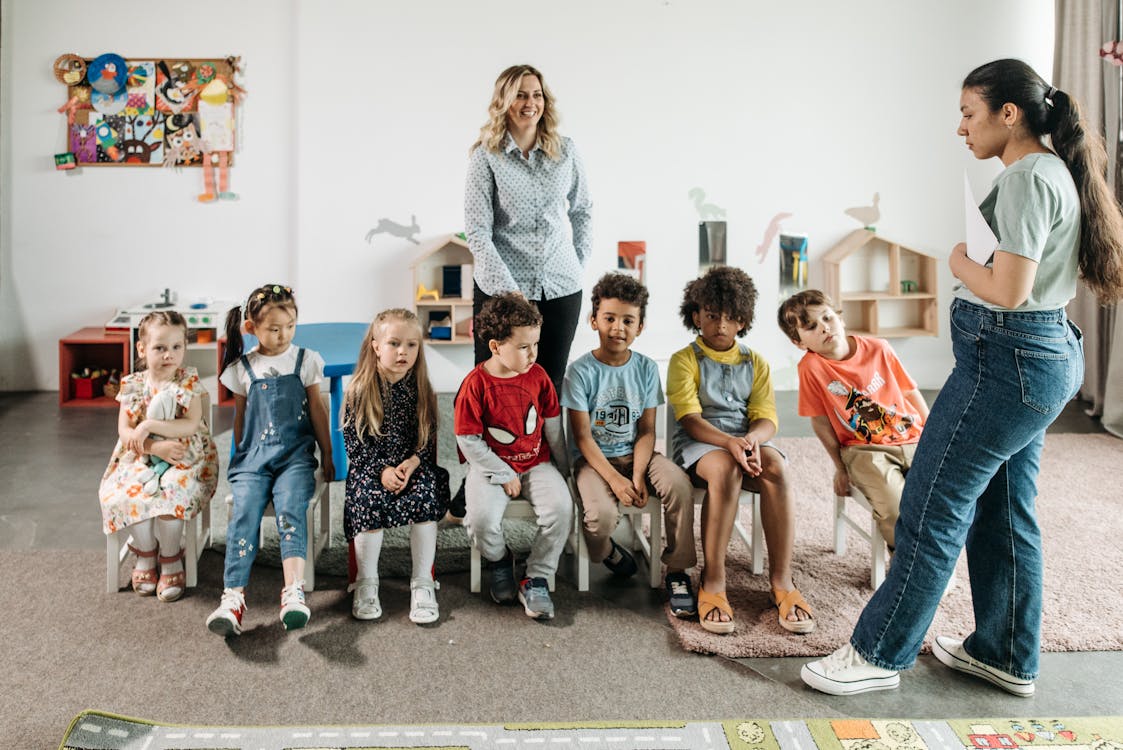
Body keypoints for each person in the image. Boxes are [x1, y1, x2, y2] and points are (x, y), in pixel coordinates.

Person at [801, 59, 1123, 698]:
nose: (961, 128)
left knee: (930, 503)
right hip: (1036, 359)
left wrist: (954, 260)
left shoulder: (1029, 179)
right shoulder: (1051, 170)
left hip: (1008, 362)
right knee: (1005, 508)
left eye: (969, 114)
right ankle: (1004, 652)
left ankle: (877, 652)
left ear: (1010, 114)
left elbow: (1009, 288)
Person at [454, 63, 592, 520]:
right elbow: (478, 230)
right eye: (519, 95)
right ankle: (480, 478)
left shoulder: (565, 151)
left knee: (545, 384)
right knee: (489, 387)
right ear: (503, 103)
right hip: (500, 290)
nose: (529, 103)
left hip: (560, 288)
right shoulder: (486, 156)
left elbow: (584, 212)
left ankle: (544, 473)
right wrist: (510, 295)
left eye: (536, 94)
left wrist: (575, 262)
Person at [666, 265, 814, 635]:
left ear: (742, 321)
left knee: (777, 466)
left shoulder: (756, 362)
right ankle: (713, 580)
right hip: (702, 444)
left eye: (730, 319)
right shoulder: (685, 359)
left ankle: (782, 581)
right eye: (712, 316)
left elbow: (766, 418)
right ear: (696, 314)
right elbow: (690, 418)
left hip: (745, 441)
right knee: (725, 470)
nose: (720, 326)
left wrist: (752, 440)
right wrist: (729, 443)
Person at [561, 272, 697, 615]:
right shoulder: (580, 372)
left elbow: (647, 431)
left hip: (638, 454)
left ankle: (677, 571)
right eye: (609, 318)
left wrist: (637, 476)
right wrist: (616, 480)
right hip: (594, 461)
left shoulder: (648, 369)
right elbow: (582, 438)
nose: (618, 327)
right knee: (600, 519)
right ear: (594, 321)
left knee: (679, 486)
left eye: (628, 320)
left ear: (640, 326)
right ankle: (605, 552)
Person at [205, 284, 334, 636]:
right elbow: (241, 418)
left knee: (292, 508)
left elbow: (319, 411)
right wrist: (238, 460)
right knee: (245, 512)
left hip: (295, 458)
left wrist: (328, 454)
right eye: (274, 329)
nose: (283, 335)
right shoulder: (243, 367)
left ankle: (293, 592)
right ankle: (233, 597)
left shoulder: (306, 360)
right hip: (253, 460)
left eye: (289, 326)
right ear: (252, 328)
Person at [778, 289, 930, 552]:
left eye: (827, 318)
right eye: (811, 327)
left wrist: (933, 435)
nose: (824, 328)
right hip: (865, 449)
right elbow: (821, 421)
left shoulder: (879, 348)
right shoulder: (811, 368)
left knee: (939, 499)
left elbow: (909, 391)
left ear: (840, 317)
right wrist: (840, 467)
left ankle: (935, 558)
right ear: (798, 342)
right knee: (895, 507)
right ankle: (909, 562)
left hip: (913, 437)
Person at [454, 293, 572, 620]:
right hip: (490, 465)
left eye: (535, 344)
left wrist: (565, 469)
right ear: (495, 346)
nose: (533, 354)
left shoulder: (538, 377)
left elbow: (551, 426)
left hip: (536, 461)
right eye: (523, 347)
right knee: (480, 521)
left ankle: (536, 576)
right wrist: (502, 472)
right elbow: (468, 440)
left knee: (562, 509)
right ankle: (501, 560)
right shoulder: (475, 385)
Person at [98, 310, 219, 602]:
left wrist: (150, 426)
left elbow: (190, 423)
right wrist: (153, 447)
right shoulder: (132, 385)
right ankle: (146, 553)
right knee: (129, 493)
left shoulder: (187, 381)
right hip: (140, 458)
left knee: (172, 492)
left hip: (185, 456)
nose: (169, 355)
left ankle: (170, 555)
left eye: (177, 347)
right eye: (160, 348)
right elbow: (126, 432)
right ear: (142, 349)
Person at [342, 309, 449, 625]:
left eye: (412, 345)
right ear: (376, 346)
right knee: (368, 501)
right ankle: (366, 582)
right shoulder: (360, 390)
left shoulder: (421, 389)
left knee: (427, 494)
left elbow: (426, 442)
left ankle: (422, 583)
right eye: (394, 343)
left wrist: (412, 464)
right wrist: (382, 472)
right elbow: (355, 447)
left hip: (411, 468)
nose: (403, 352)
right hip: (371, 468)